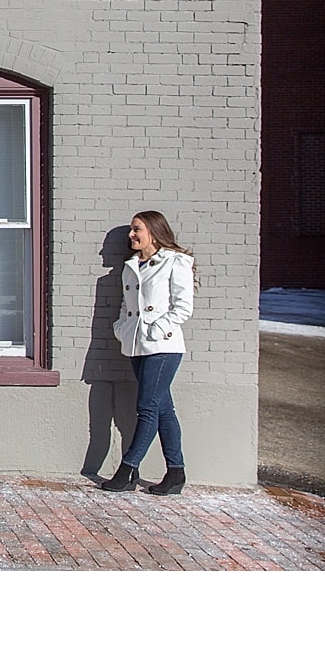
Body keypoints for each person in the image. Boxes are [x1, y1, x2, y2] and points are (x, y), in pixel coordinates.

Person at [102, 210, 195, 495]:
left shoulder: (175, 262)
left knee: (147, 408)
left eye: (136, 229)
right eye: (131, 229)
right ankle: (176, 473)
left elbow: (183, 308)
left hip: (163, 347)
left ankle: (128, 469)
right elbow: (125, 305)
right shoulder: (132, 265)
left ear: (153, 231)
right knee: (164, 410)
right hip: (136, 345)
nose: (131, 235)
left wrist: (156, 329)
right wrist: (122, 328)